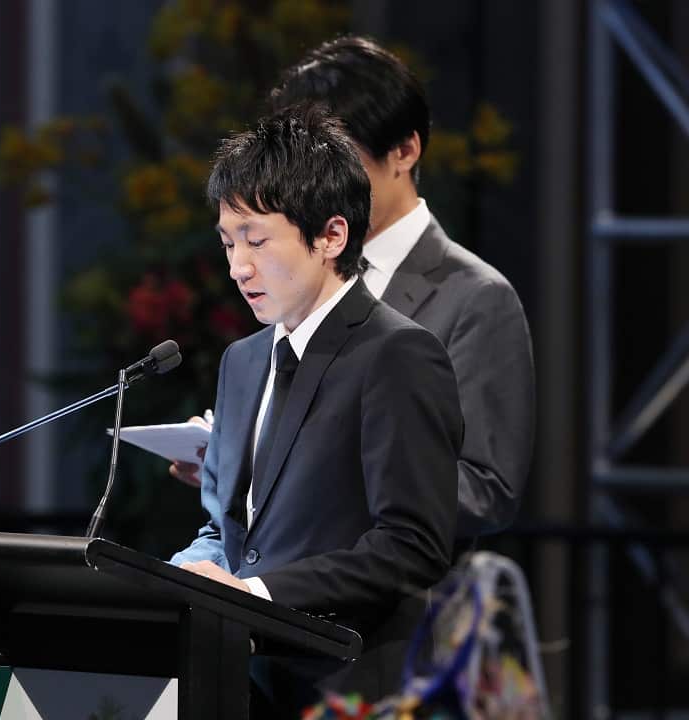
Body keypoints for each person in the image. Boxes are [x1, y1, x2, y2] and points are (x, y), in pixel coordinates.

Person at [172, 35, 535, 541]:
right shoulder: (288, 269)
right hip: (269, 576)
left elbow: (486, 489)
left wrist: (313, 475)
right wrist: (239, 464)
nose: (313, 174)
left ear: (404, 151)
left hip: (397, 582)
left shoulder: (476, 297)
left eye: (336, 152)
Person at [170, 105, 463, 713]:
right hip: (237, 684)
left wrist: (254, 592)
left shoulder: (397, 354)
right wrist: (179, 575)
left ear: (331, 236)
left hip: (350, 688)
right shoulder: (242, 361)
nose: (238, 267)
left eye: (256, 240)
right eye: (227, 242)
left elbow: (412, 546)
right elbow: (228, 531)